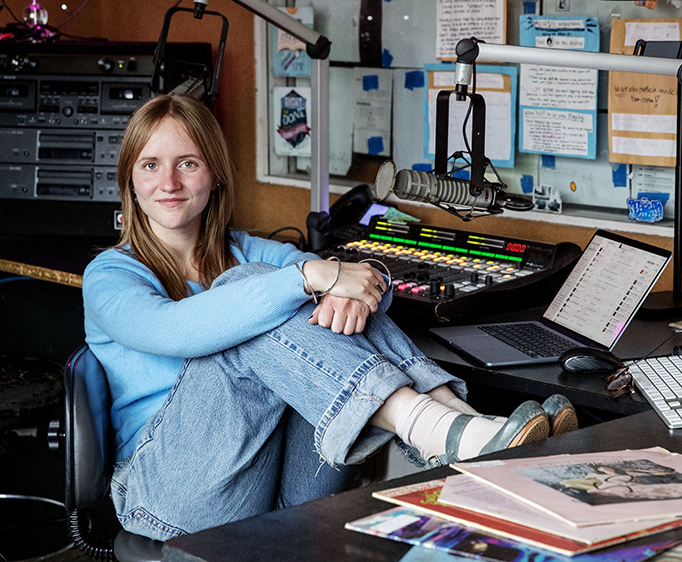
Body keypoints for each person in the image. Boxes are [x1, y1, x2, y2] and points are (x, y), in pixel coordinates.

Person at [81, 94, 578, 541]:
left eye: (187, 163)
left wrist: (355, 284)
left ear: (213, 174)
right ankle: (440, 428)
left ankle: (458, 425)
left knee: (302, 294)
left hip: (279, 483)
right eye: (150, 166)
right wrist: (309, 279)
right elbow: (177, 330)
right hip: (165, 495)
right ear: (130, 178)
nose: (168, 183)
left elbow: (360, 281)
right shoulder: (109, 275)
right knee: (247, 293)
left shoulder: (245, 250)